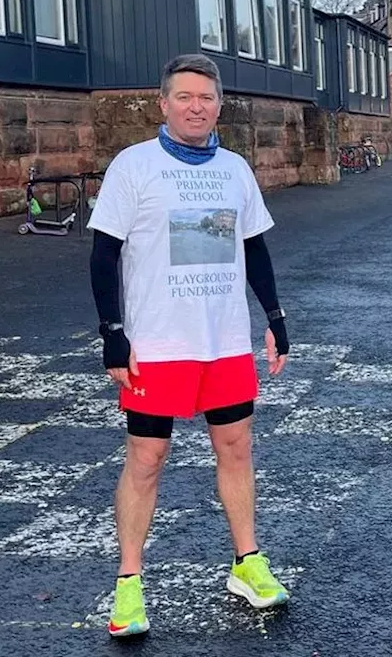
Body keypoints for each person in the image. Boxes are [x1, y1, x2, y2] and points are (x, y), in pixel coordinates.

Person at [87, 53, 292, 637]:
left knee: (236, 447)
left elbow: (253, 249)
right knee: (147, 460)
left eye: (206, 98)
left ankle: (247, 564)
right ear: (163, 104)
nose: (195, 107)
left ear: (219, 105)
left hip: (223, 340)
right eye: (184, 97)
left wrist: (274, 318)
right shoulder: (134, 166)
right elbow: (103, 255)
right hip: (156, 343)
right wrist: (112, 335)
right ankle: (129, 584)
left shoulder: (234, 169)